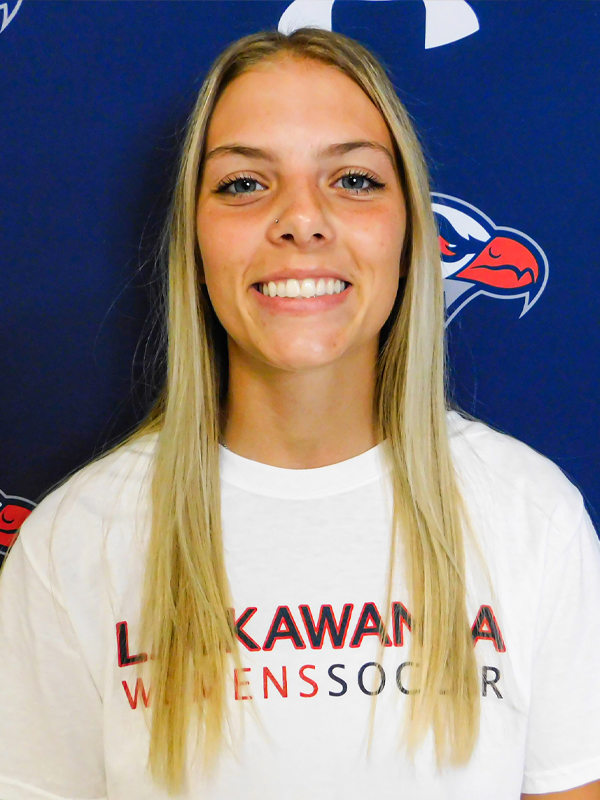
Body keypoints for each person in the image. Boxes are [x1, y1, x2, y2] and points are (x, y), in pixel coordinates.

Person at [0, 26, 599, 800]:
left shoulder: (530, 517)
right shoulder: (75, 542)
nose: (302, 219)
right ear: (195, 238)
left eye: (352, 180)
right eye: (245, 184)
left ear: (411, 229)